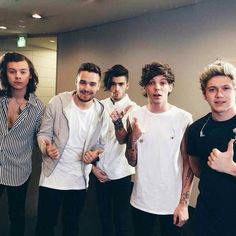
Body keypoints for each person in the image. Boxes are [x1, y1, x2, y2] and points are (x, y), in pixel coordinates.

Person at [110, 62, 194, 236]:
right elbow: (131, 160)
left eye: (163, 82)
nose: (157, 88)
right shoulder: (135, 115)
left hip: (172, 202)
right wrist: (133, 138)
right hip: (141, 200)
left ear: (170, 86)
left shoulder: (183, 118)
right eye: (151, 83)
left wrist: (184, 203)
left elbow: (188, 163)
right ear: (145, 87)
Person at [35, 62, 108, 236]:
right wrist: (46, 148)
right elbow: (43, 134)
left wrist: (94, 154)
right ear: (76, 82)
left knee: (72, 226)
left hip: (79, 179)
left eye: (92, 84)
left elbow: (101, 144)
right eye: (83, 82)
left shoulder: (100, 111)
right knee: (45, 226)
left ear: (98, 86)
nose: (86, 88)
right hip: (52, 176)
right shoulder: (58, 102)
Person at [187, 61, 236, 236]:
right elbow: (197, 169)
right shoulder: (195, 129)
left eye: (226, 88)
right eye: (212, 89)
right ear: (204, 94)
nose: (219, 94)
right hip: (206, 217)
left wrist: (231, 168)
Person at [0, 52, 45, 236]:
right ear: (5, 74)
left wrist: (46, 144)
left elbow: (40, 137)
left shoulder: (37, 107)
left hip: (18, 169)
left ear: (30, 75)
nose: (18, 76)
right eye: (12, 71)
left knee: (16, 215)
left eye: (23, 71)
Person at [92, 64, 137, 236]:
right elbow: (91, 139)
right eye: (113, 84)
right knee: (103, 214)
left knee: (121, 217)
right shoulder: (99, 106)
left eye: (120, 84)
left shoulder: (134, 109)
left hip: (122, 171)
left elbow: (128, 141)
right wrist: (93, 168)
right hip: (100, 169)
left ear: (127, 85)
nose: (116, 88)